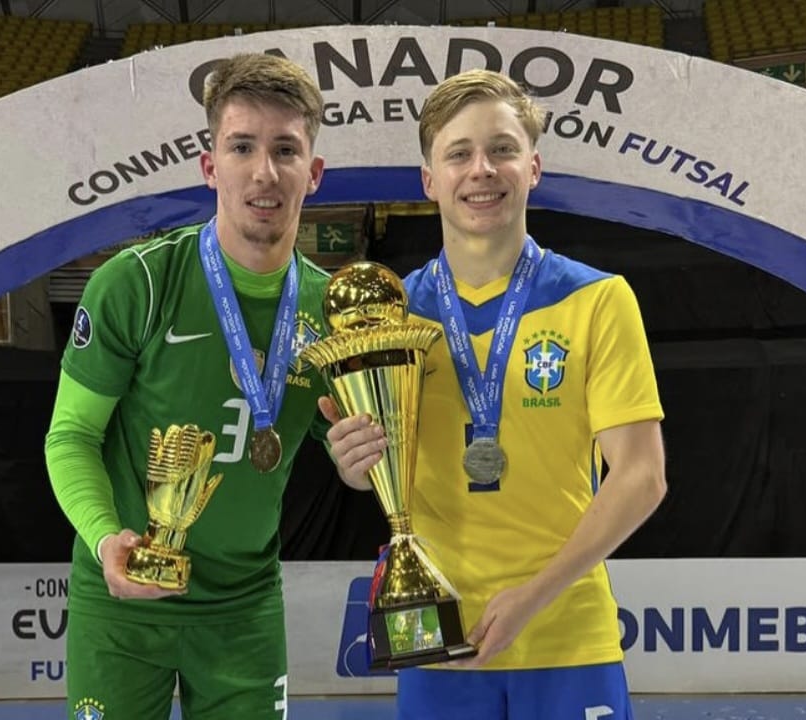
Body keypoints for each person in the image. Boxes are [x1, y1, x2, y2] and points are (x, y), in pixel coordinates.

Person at [319, 69, 667, 719]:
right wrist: (358, 465)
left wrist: (535, 594)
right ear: (430, 181)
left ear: (533, 166)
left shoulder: (597, 300)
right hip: (434, 635)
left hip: (568, 636)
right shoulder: (393, 318)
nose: (482, 169)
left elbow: (642, 476)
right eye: (459, 153)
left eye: (502, 149)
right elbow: (377, 473)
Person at [45, 53, 331, 720]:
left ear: (312, 173)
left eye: (286, 149)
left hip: (244, 608)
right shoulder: (137, 284)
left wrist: (357, 462)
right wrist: (104, 536)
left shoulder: (330, 311)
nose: (264, 171)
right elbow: (72, 435)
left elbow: (350, 457)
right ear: (211, 167)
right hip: (123, 603)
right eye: (242, 146)